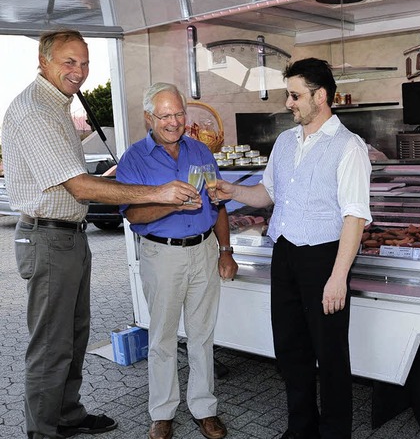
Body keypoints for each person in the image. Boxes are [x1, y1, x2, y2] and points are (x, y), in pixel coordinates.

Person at [1, 29, 200, 439]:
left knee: (74, 337)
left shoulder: (59, 103)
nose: (79, 71)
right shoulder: (37, 109)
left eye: (85, 62)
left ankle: (67, 416)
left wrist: (116, 180)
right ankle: (42, 432)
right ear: (44, 61)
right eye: (68, 62)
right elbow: (78, 186)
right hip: (48, 238)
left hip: (69, 236)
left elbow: (69, 180)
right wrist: (157, 192)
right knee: (51, 346)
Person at [215, 58, 372, 439]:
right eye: (289, 94)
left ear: (321, 96)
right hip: (284, 254)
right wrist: (232, 191)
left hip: (324, 259)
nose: (289, 102)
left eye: (295, 95)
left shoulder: (349, 147)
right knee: (291, 350)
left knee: (331, 356)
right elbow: (266, 193)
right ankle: (300, 429)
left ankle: (335, 434)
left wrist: (338, 279)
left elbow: (355, 217)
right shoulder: (285, 142)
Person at [116, 82, 237, 439]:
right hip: (161, 254)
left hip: (204, 251)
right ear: (148, 118)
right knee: (163, 338)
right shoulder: (134, 158)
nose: (174, 121)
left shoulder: (200, 151)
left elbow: (218, 204)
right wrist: (169, 202)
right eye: (165, 115)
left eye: (179, 113)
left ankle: (204, 408)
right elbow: (134, 216)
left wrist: (226, 251)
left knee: (202, 335)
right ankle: (163, 412)